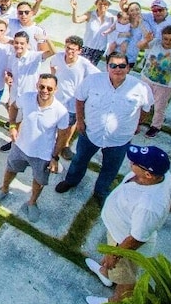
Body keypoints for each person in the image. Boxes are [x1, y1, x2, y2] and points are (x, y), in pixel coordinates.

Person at [55, 51, 153, 206]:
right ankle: (71, 181)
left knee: (110, 168)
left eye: (122, 66)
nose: (117, 69)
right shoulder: (92, 81)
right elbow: (79, 100)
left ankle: (101, 191)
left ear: (128, 68)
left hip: (119, 139)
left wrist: (137, 124)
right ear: (107, 66)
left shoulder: (140, 87)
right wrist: (80, 121)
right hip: (91, 133)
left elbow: (146, 109)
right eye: (113, 65)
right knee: (79, 160)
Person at [85, 145, 171, 304]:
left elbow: (136, 239)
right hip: (117, 231)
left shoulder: (149, 206)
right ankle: (105, 274)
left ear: (148, 174)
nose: (131, 162)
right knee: (114, 268)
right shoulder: (162, 175)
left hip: (124, 243)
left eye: (135, 162)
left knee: (126, 279)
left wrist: (115, 254)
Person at [0, 73, 69, 223]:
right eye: (41, 86)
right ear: (37, 86)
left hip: (43, 155)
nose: (45, 90)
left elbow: (62, 137)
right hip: (20, 147)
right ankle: (4, 189)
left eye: (49, 88)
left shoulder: (61, 112)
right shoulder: (27, 98)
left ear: (56, 89)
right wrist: (13, 126)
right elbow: (13, 107)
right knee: (10, 170)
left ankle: (32, 202)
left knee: (39, 181)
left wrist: (54, 158)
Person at [136, 25, 171, 137]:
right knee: (143, 103)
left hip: (164, 85)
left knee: (159, 107)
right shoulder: (155, 42)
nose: (168, 42)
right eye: (165, 39)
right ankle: (138, 121)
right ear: (161, 37)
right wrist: (146, 40)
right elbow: (140, 46)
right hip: (147, 79)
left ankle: (155, 126)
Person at [49, 35, 100, 159]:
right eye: (67, 48)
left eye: (73, 49)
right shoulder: (58, 57)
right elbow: (52, 65)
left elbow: (98, 77)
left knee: (69, 125)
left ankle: (65, 145)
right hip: (56, 100)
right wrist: (53, 78)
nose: (69, 51)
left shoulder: (84, 64)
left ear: (79, 50)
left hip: (72, 102)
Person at [70, 0, 115, 65]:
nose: (102, 6)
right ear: (96, 4)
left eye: (105, 4)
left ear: (108, 6)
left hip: (99, 50)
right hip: (87, 48)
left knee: (91, 69)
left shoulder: (111, 18)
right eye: (100, 4)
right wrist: (74, 10)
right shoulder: (90, 14)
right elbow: (76, 20)